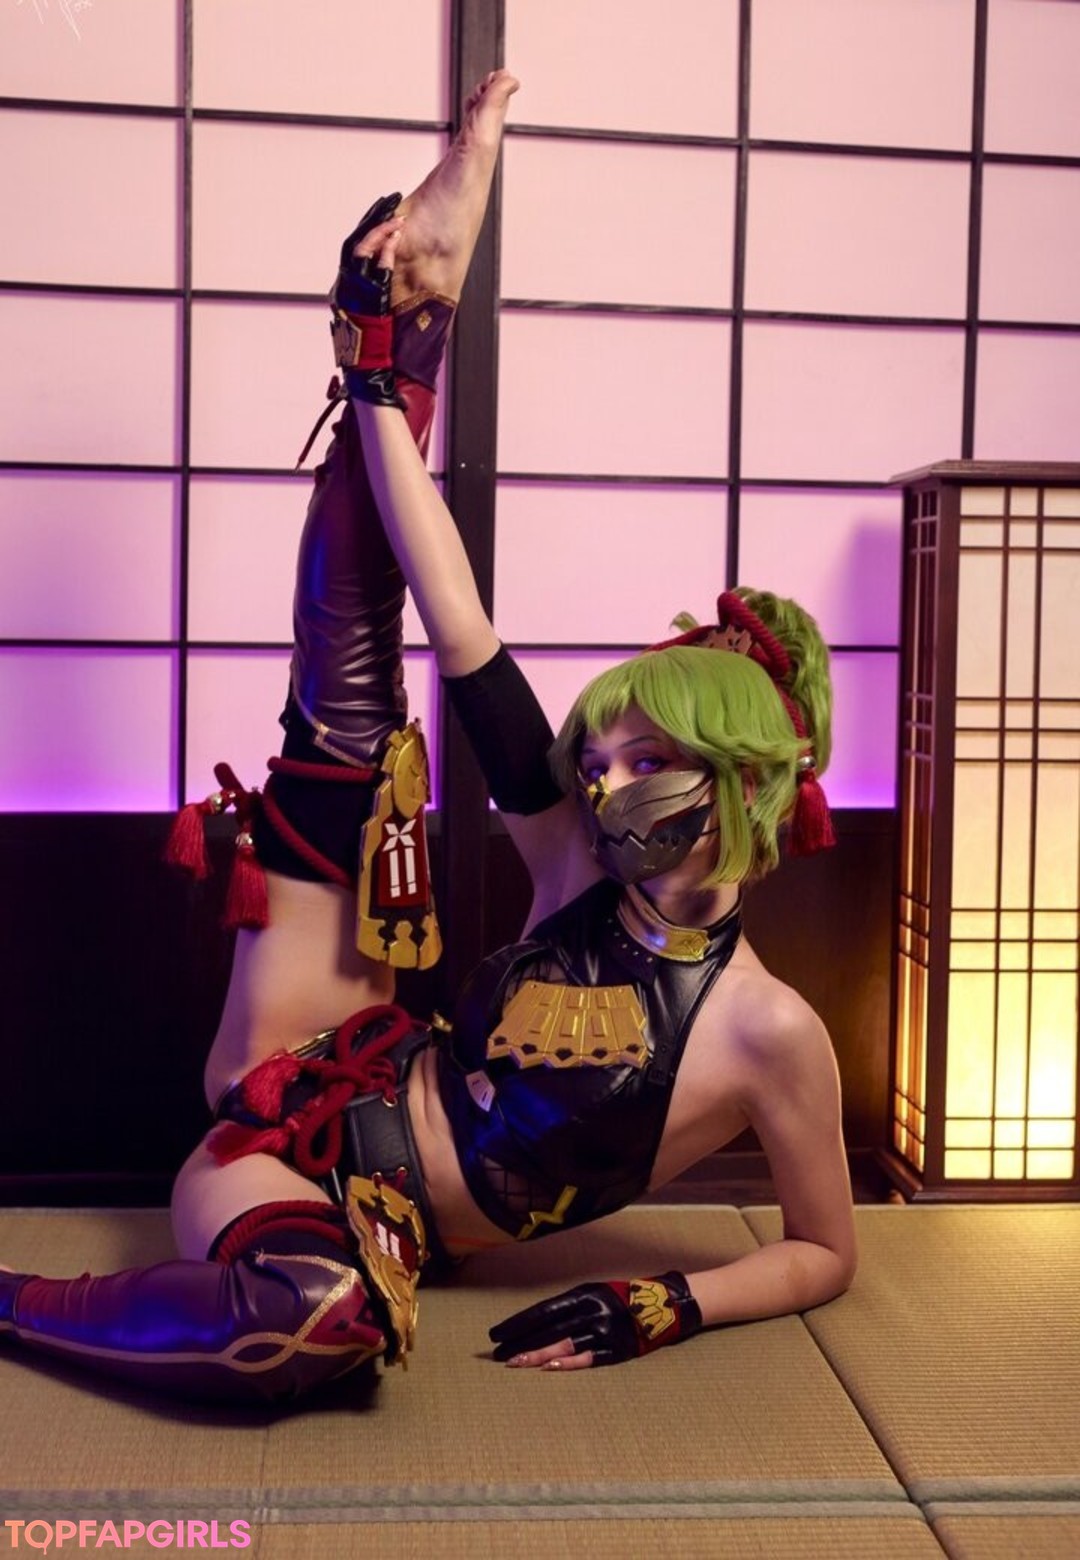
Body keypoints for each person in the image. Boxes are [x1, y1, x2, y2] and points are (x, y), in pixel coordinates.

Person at [0, 70, 855, 1400]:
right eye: (601, 757)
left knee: (316, 1323)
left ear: (748, 784)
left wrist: (670, 1301)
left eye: (647, 762)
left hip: (312, 1204)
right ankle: (404, 330)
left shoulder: (774, 1033)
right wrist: (375, 389)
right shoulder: (578, 863)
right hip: (318, 1062)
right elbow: (452, 610)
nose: (606, 783)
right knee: (351, 689)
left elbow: (823, 1250)